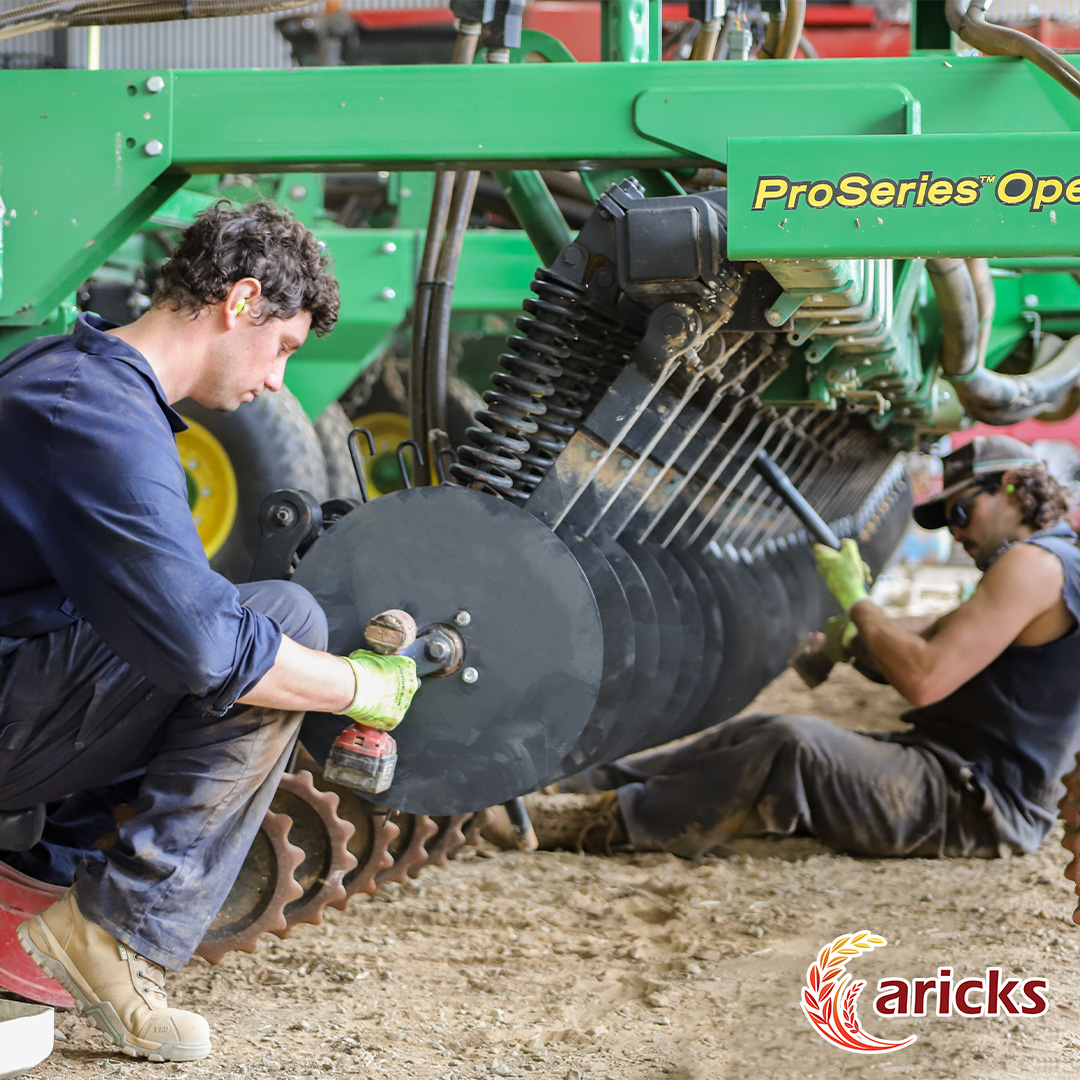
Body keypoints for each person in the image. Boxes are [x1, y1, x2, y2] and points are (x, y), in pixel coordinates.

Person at [0, 201, 419, 1062]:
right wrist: (360, 686)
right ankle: (114, 933)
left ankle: (53, 881)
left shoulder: (81, 380)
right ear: (241, 301)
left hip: (18, 688)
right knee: (274, 627)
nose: (277, 381)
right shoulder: (93, 414)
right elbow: (199, 645)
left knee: (251, 625)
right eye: (285, 347)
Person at [502, 435, 1080, 866]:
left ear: (1011, 487)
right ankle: (570, 783)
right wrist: (857, 635)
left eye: (960, 513)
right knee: (756, 732)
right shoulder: (1053, 564)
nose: (957, 533)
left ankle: (582, 823)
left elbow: (924, 676)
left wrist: (858, 601)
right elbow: (930, 634)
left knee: (791, 746)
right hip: (957, 778)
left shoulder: (1030, 566)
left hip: (978, 804)